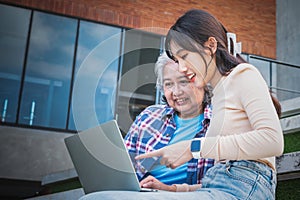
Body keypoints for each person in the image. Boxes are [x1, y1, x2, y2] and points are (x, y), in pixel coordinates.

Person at [79, 9, 283, 200]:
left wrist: (192, 148)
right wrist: (174, 190)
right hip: (218, 187)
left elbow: (273, 141)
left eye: (185, 56)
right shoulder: (221, 93)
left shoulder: (243, 74)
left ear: (211, 46)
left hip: (245, 187)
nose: (183, 68)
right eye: (177, 60)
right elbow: (217, 182)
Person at [124, 52, 214, 192]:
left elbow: (223, 187)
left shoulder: (221, 123)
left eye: (184, 81)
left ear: (203, 83)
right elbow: (124, 166)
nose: (176, 92)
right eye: (169, 84)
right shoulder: (148, 117)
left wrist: (167, 189)